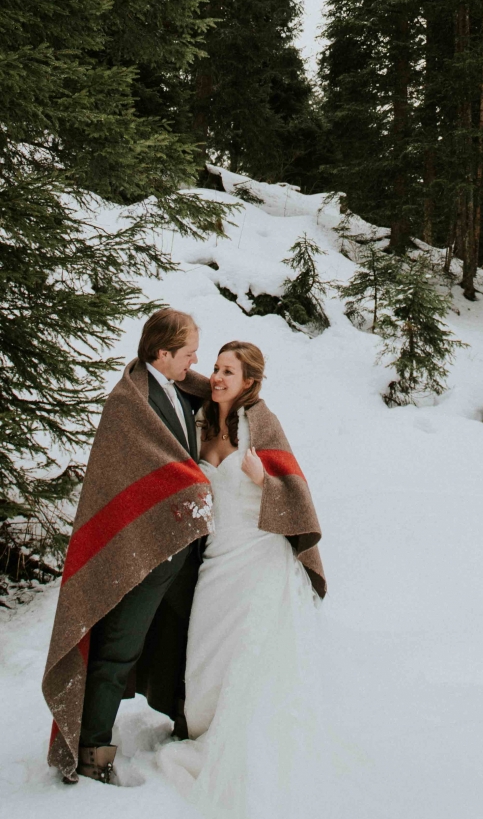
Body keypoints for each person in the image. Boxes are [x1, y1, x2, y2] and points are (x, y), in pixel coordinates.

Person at [42, 308, 214, 784]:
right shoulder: (128, 403)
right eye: (187, 353)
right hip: (143, 553)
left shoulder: (186, 391)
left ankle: (185, 726)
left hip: (186, 549)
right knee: (118, 648)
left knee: (186, 641)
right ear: (162, 353)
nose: (194, 361)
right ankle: (93, 751)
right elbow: (125, 478)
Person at [159, 340, 327, 819]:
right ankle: (202, 726)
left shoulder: (262, 423)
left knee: (246, 651)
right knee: (207, 645)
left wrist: (261, 481)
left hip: (258, 553)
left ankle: (240, 737)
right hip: (216, 557)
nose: (215, 376)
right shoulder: (199, 422)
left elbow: (298, 496)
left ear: (249, 382)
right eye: (214, 367)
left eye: (228, 371)